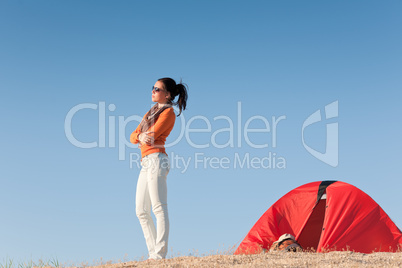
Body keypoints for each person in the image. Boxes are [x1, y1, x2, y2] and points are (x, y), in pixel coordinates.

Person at [130, 77, 188, 260]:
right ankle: (152, 252)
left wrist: (141, 136)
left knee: (158, 207)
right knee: (140, 210)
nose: (153, 91)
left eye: (157, 89)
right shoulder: (150, 113)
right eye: (153, 88)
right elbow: (133, 136)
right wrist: (140, 136)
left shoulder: (168, 113)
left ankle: (160, 254)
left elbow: (153, 135)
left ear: (167, 94)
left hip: (157, 159)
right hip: (146, 161)